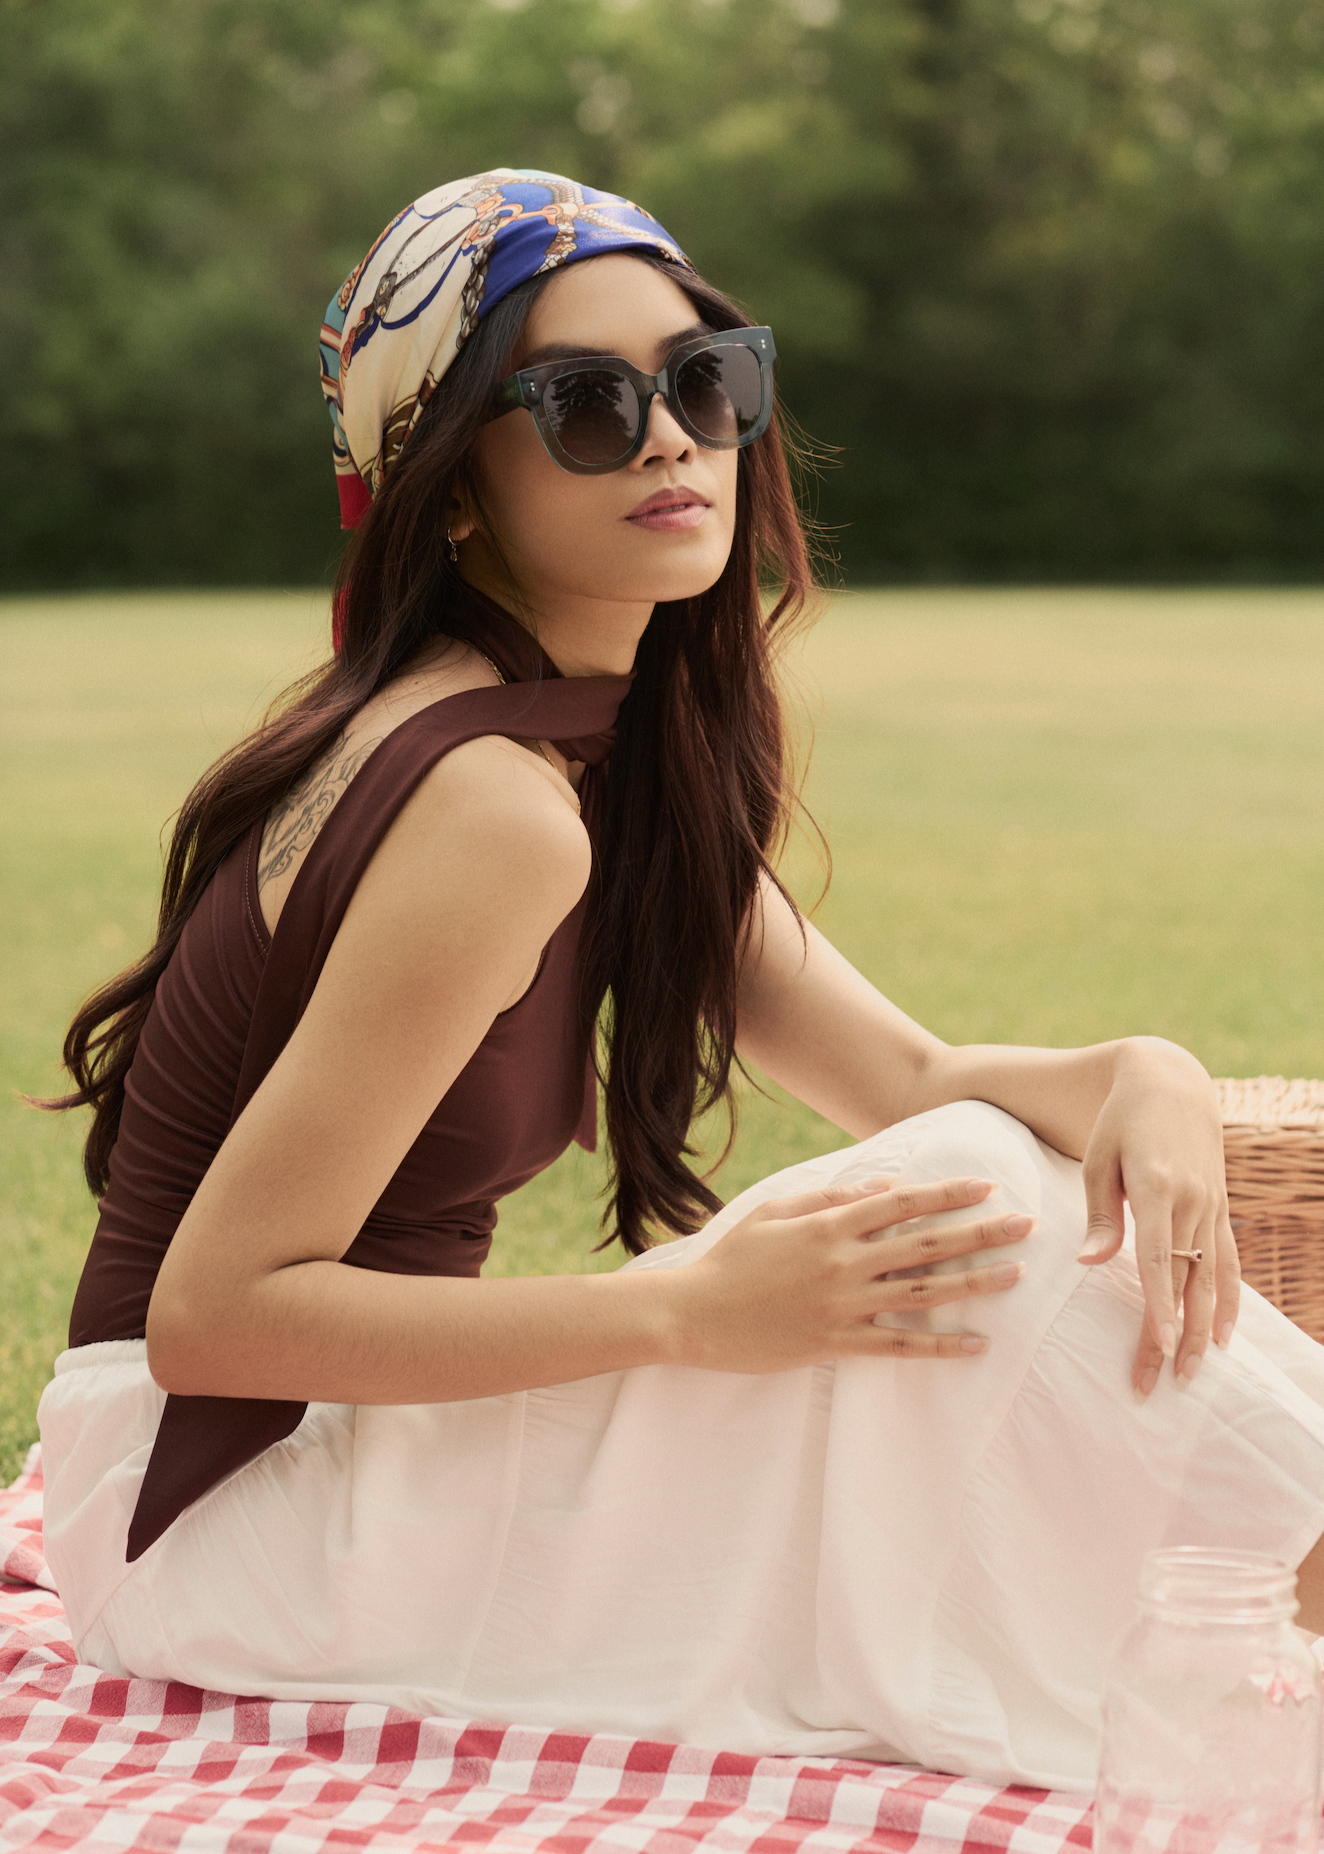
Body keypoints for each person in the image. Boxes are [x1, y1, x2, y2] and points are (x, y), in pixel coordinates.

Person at [35, 170, 1324, 1793]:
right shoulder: (491, 811)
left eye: (707, 380)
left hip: (306, 1457)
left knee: (969, 1179)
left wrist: (1149, 1066)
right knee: (966, 1215)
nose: (670, 437)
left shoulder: (601, 754)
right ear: (447, 488)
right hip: (219, 1513)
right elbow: (212, 1322)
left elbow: (911, 1082)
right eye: (585, 404)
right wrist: (682, 1314)